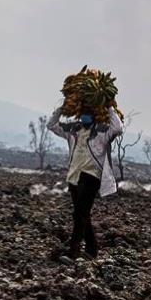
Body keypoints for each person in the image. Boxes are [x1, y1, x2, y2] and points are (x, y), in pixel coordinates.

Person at [48, 106, 123, 260]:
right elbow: (52, 125)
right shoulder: (73, 130)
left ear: (95, 116)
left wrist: (108, 107)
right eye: (83, 114)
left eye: (88, 114)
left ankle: (72, 253)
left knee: (79, 213)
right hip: (74, 176)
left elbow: (118, 128)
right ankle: (91, 249)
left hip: (91, 176)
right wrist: (62, 109)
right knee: (83, 214)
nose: (84, 117)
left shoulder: (102, 132)